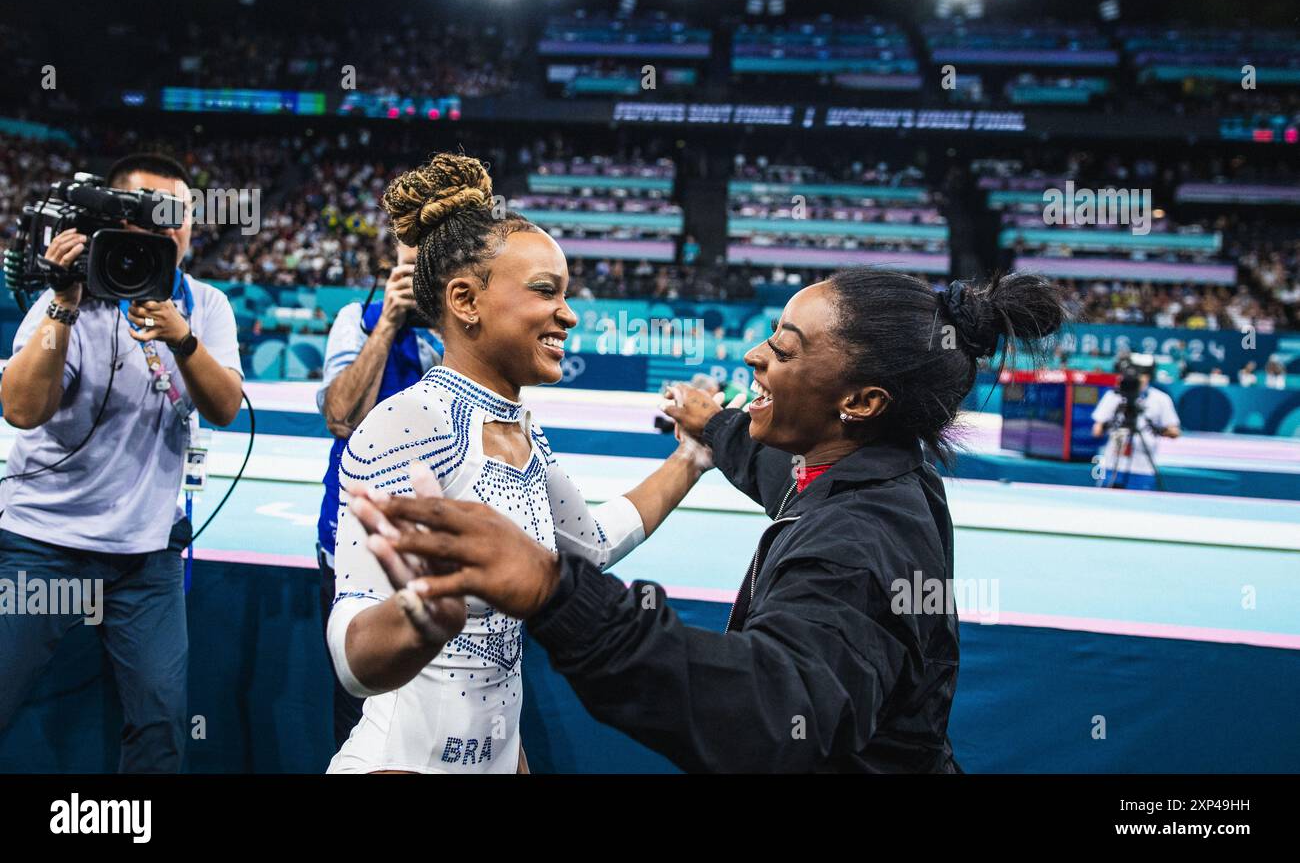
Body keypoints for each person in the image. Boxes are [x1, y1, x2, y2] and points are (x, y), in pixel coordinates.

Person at [347, 270, 1068, 772]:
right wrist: (710, 427)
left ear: (862, 401)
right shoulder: (873, 470)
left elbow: (766, 714)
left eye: (783, 349)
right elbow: (774, 470)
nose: (755, 353)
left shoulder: (857, 543)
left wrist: (554, 589)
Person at [324, 154, 708, 774]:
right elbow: (351, 651)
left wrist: (692, 457)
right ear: (464, 300)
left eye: (566, 291)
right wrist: (417, 621)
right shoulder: (410, 423)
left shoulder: (524, 434)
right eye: (544, 291)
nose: (570, 313)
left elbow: (590, 547)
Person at [0, 153, 243, 772]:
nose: (169, 228)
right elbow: (23, 410)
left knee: (161, 724)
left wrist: (181, 337)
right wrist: (62, 302)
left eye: (180, 216)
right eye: (151, 213)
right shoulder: (72, 298)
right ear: (117, 219)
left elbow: (222, 408)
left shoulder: (205, 305)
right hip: (43, 542)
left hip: (146, 556)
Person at [314, 239, 442, 749]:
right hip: (351, 549)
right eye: (408, 259)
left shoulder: (465, 331)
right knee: (358, 718)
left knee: (445, 712)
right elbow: (341, 417)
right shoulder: (357, 319)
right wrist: (387, 325)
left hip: (438, 551)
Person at [1090, 354, 1180, 491]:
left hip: (1143, 468)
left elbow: (1175, 431)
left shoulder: (1161, 399)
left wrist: (1156, 429)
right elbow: (1096, 430)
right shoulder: (1113, 396)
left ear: (1148, 377)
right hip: (1112, 465)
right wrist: (1111, 424)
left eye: (1141, 375)